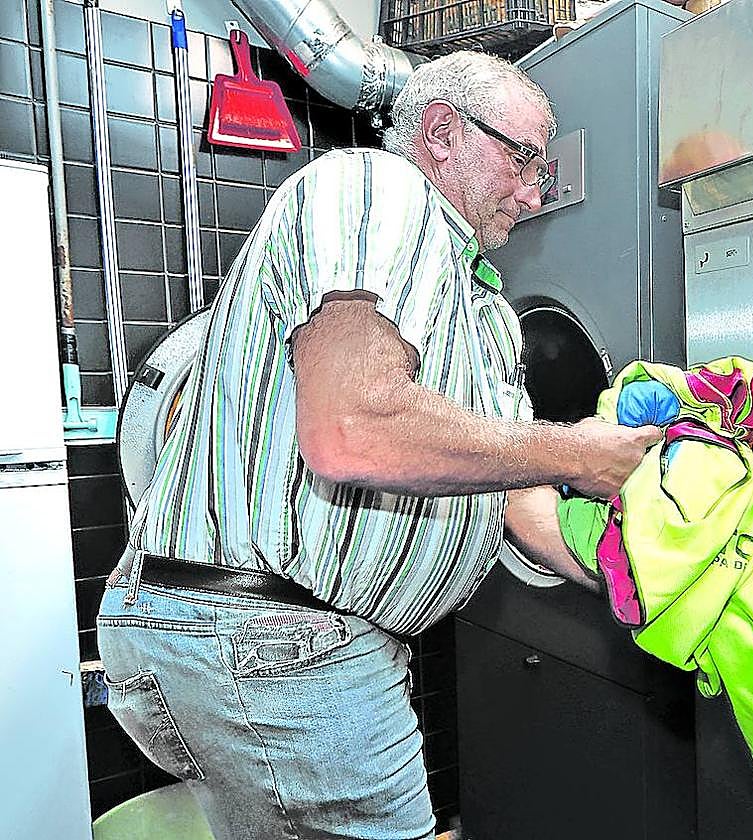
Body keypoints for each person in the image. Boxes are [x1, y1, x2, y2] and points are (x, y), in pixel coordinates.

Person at [96, 50, 660, 840]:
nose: (534, 195)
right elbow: (352, 429)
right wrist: (580, 453)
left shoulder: (484, 312)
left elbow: (506, 491)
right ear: (440, 133)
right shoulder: (375, 188)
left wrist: (641, 574)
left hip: (286, 641)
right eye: (524, 158)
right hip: (271, 636)